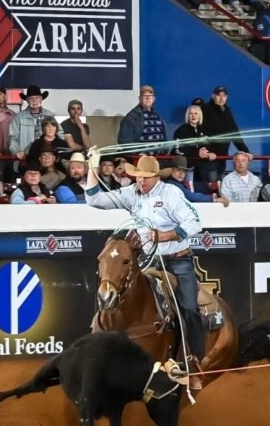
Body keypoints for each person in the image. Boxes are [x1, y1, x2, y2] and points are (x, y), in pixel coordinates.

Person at [85, 150, 206, 391]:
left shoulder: (170, 193)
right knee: (122, 292)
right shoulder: (132, 194)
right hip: (148, 259)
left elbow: (195, 223)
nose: (141, 181)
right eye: (139, 176)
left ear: (156, 177)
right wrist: (92, 165)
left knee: (188, 308)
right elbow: (94, 199)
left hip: (176, 259)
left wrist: (165, 235)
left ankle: (193, 362)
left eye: (146, 177)